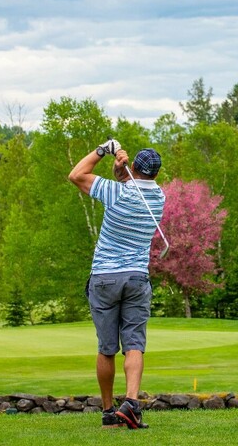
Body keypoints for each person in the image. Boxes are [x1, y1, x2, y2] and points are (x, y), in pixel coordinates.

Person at [68, 138, 165, 430]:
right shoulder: (158, 198)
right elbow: (130, 183)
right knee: (134, 343)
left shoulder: (117, 194)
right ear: (156, 174)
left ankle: (109, 412)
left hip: (105, 277)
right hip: (136, 277)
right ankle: (132, 405)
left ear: (135, 166)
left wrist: (104, 150)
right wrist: (121, 170)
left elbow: (77, 175)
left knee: (107, 348)